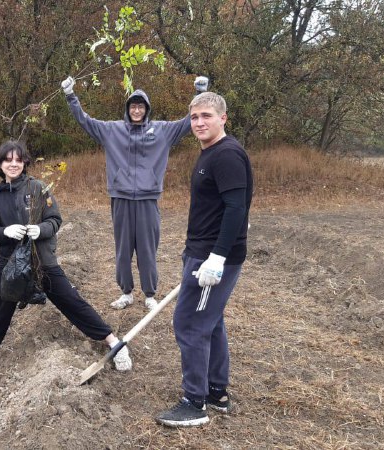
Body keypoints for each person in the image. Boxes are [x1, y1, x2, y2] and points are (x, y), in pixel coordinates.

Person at [0, 140, 132, 376]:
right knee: (0, 306)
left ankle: (114, 343)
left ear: (25, 162)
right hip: (10, 264)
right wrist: (5, 232)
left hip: (41, 262)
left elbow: (54, 220)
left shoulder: (38, 188)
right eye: (8, 160)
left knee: (71, 300)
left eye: (18, 159)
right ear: (0, 163)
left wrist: (41, 230)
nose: (13, 164)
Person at [61, 75, 209, 311]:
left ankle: (150, 295)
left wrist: (199, 94)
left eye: (141, 106)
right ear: (127, 108)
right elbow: (85, 121)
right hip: (120, 198)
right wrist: (70, 96)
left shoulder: (162, 130)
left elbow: (186, 123)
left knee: (147, 250)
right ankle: (126, 292)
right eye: (133, 106)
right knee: (122, 249)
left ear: (146, 109)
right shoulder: (112, 130)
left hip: (148, 199)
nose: (137, 110)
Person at [155, 92, 253, 427]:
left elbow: (237, 208)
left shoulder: (226, 155)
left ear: (223, 118)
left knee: (190, 323)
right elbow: (234, 205)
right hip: (201, 251)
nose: (199, 122)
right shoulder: (211, 153)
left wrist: (217, 257)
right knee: (210, 322)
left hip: (212, 258)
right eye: (194, 117)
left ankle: (194, 403)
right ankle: (216, 393)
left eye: (206, 116)